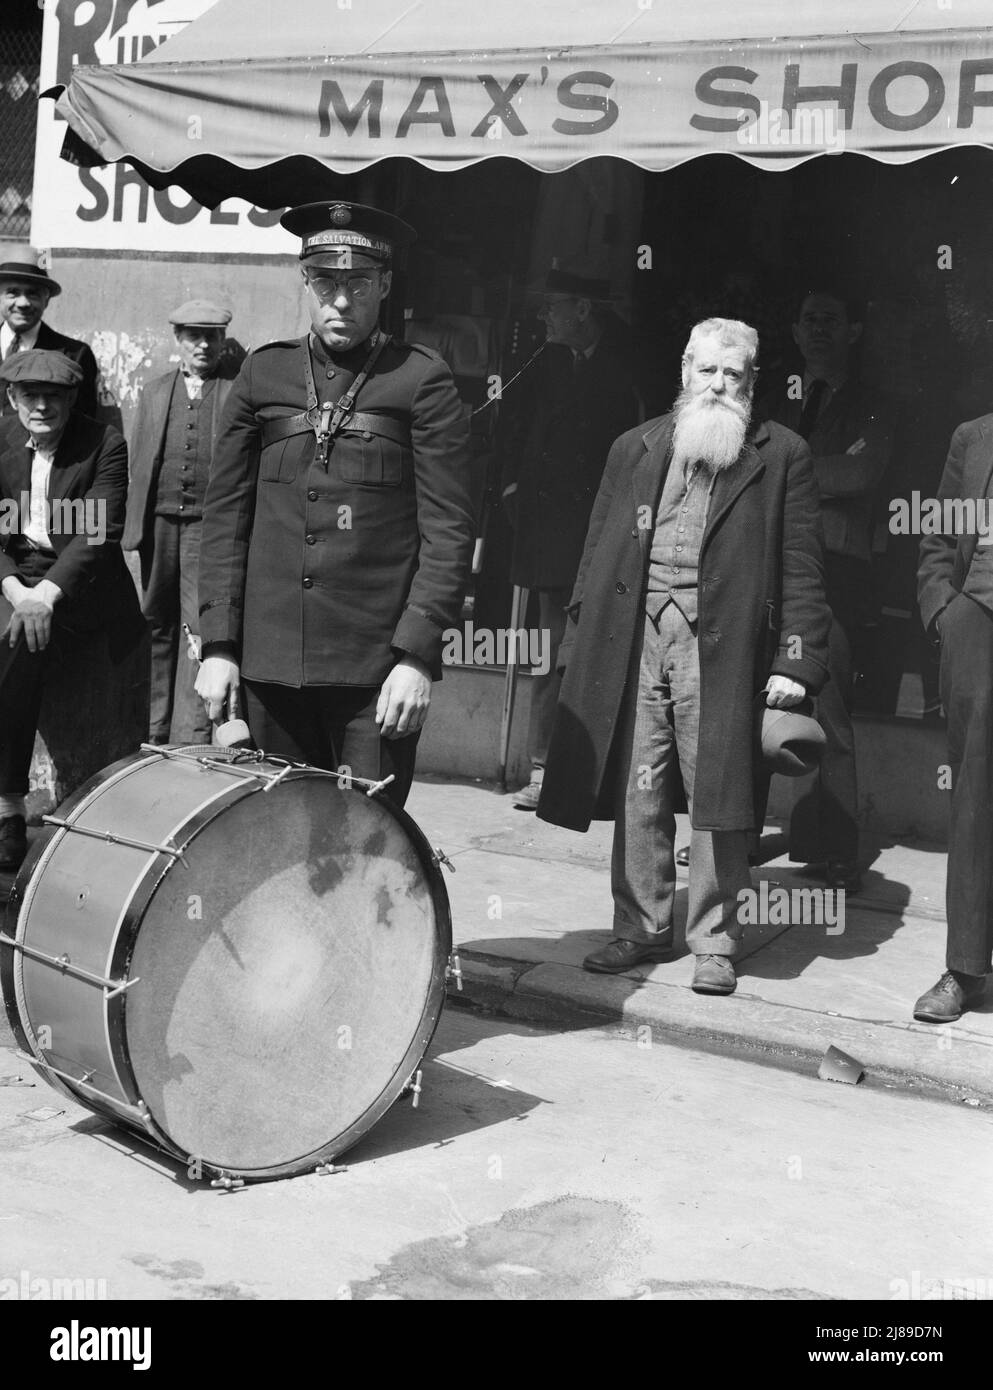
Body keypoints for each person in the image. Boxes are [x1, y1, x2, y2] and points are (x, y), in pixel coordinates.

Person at [537, 318, 831, 996]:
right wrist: (579, 642)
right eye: (708, 371)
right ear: (684, 371)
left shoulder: (782, 455)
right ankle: (638, 926)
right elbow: (593, 556)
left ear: (752, 382)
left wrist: (794, 662)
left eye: (734, 374)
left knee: (717, 792)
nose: (719, 385)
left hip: (721, 648)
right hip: (635, 639)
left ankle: (714, 941)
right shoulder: (632, 448)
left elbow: (803, 572)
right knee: (638, 786)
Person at [194, 201, 475, 807]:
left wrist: (417, 658)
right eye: (327, 283)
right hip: (268, 670)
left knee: (369, 854)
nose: (341, 300)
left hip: (373, 675)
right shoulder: (261, 374)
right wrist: (218, 645)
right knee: (271, 848)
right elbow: (224, 521)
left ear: (385, 286)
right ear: (307, 281)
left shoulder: (420, 379)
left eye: (358, 284)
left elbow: (448, 531)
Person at [760, 289, 894, 892]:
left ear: (855, 331)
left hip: (836, 569)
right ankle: (730, 834)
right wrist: (820, 467)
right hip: (768, 563)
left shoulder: (874, 402)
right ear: (793, 328)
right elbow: (750, 464)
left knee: (830, 705)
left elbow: (862, 473)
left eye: (830, 319)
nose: (817, 330)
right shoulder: (774, 396)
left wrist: (788, 466)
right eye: (808, 319)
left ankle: (836, 850)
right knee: (746, 701)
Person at [501, 266, 640, 810]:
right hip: (547, 536)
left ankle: (597, 778)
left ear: (582, 309)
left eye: (551, 306)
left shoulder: (626, 366)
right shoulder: (543, 362)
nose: (543, 317)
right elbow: (515, 428)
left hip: (604, 535)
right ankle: (543, 768)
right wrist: (513, 489)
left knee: (597, 652)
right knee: (548, 650)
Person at [0, 350, 143, 871]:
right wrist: (17, 591)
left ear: (70, 399)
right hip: (19, 574)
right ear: (12, 398)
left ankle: (99, 818)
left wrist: (46, 596)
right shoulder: (0, 441)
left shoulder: (104, 442)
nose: (42, 406)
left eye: (54, 397)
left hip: (81, 581)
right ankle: (9, 810)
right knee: (12, 644)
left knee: (31, 640)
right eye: (30, 396)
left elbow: (98, 532)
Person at [124, 300, 238, 744]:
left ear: (223, 341)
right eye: (194, 336)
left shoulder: (233, 390)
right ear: (179, 340)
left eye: (212, 336)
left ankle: (190, 736)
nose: (204, 345)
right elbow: (139, 460)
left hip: (207, 529)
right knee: (156, 622)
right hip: (158, 526)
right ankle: (150, 731)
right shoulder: (154, 392)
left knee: (199, 627)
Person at [914, 416, 993, 1022]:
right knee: (974, 795)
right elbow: (940, 536)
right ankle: (966, 966)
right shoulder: (972, 435)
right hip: (978, 622)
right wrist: (945, 609)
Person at [0, 260, 99, 420]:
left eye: (33, 294)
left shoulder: (74, 355)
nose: (23, 303)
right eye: (13, 292)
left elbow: (82, 424)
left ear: (46, 300)